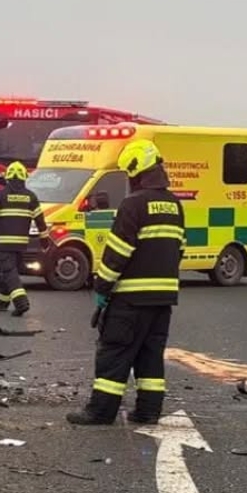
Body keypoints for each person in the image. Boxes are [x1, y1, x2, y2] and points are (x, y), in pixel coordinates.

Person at [67, 139, 183, 426]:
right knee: (150, 357)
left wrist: (102, 288)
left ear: (137, 171)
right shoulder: (174, 205)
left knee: (114, 353)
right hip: (163, 299)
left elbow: (117, 253)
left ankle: (100, 411)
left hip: (130, 298)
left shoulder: (133, 205)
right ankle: (147, 411)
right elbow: (179, 249)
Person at [0, 161, 46, 316]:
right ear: (25, 178)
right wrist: (44, 240)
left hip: (5, 243)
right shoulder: (31, 197)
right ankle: (2, 302)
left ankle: (21, 302)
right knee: (8, 272)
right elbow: (40, 221)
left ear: (7, 178)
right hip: (21, 244)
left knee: (10, 272)